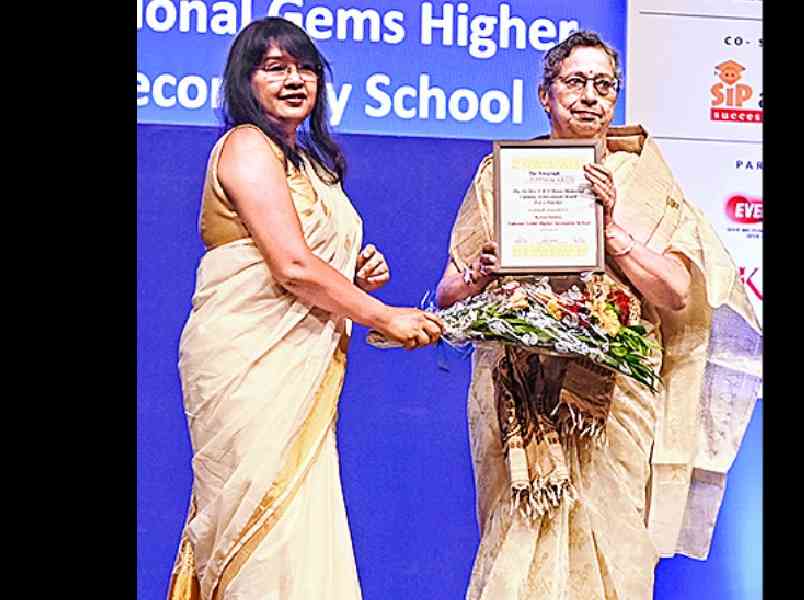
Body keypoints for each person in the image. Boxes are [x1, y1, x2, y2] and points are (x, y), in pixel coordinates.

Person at [435, 31, 762, 599]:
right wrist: (480, 272)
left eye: (604, 85)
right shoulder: (502, 176)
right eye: (575, 82)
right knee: (519, 538)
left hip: (614, 398)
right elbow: (448, 294)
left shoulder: (645, 179)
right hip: (522, 395)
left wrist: (612, 234)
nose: (589, 96)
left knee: (612, 543)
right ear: (545, 95)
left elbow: (676, 291)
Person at [166, 17, 444, 600]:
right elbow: (291, 265)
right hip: (248, 362)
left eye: (305, 69)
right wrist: (382, 314)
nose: (294, 80)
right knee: (260, 523)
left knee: (300, 520)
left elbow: (307, 259)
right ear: (246, 81)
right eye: (275, 68)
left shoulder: (311, 165)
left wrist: (351, 273)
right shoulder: (246, 146)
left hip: (300, 367)